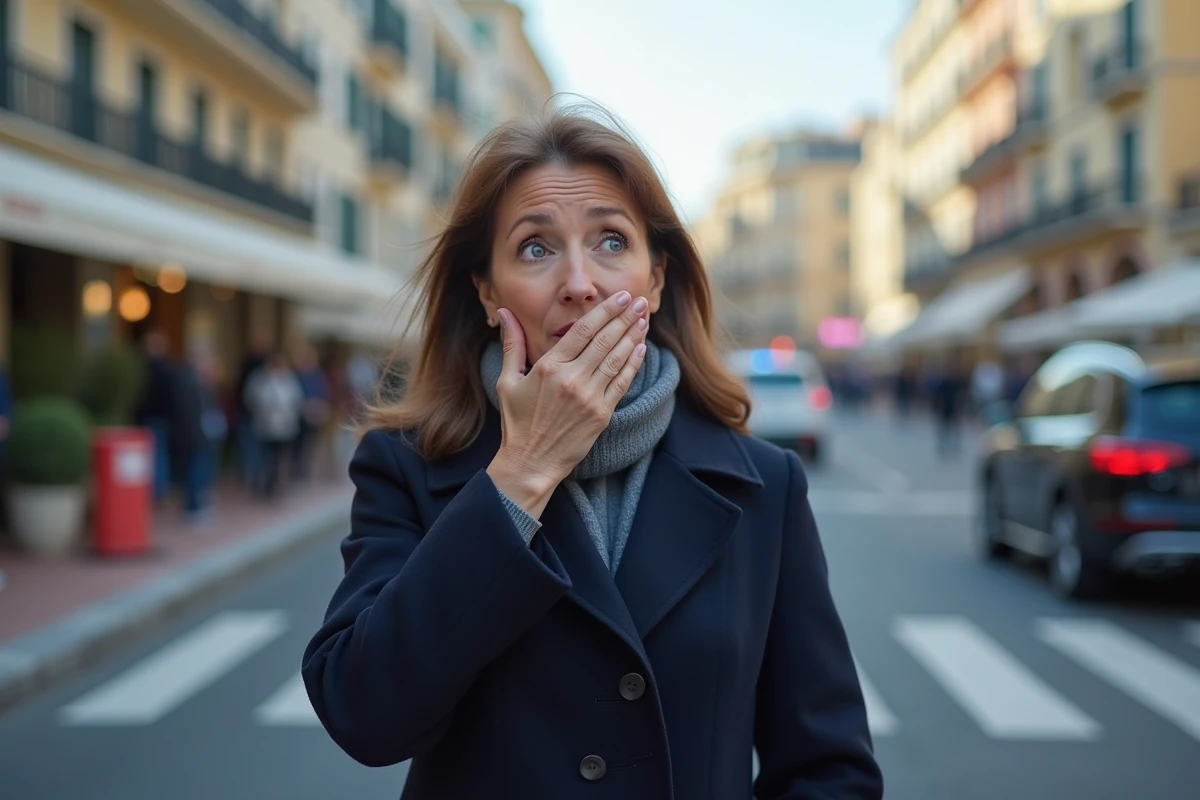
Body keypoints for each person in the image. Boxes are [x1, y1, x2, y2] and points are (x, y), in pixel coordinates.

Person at [302, 107, 883, 800]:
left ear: (656, 279)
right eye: (536, 249)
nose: (580, 281)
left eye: (611, 240)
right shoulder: (406, 465)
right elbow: (365, 715)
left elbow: (827, 769)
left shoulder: (765, 485)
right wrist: (522, 473)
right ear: (487, 291)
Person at [242, 352, 305, 500]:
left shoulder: (289, 379)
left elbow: (296, 399)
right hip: (264, 426)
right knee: (263, 457)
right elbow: (251, 399)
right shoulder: (259, 379)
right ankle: (260, 484)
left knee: (278, 458)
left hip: (283, 426)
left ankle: (274, 486)